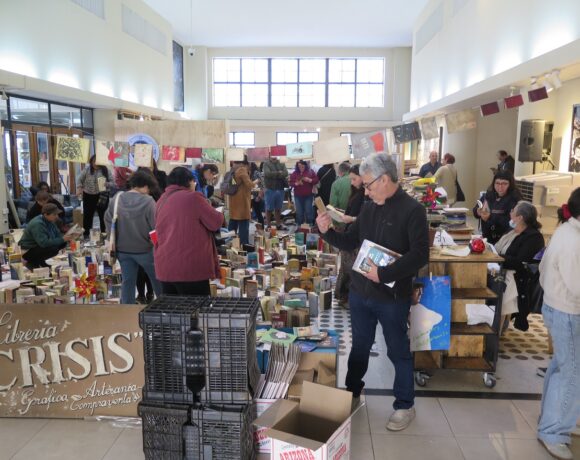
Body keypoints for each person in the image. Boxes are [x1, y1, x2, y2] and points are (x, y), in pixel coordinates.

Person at [316, 154, 429, 432]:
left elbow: (420, 255)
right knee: (360, 346)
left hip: (392, 297)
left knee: (397, 350)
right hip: (360, 293)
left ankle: (405, 405)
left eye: (368, 185)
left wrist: (385, 274)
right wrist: (326, 232)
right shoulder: (368, 208)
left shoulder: (413, 210)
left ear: (385, 179)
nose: (365, 191)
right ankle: (353, 392)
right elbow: (349, 241)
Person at [536, 187, 580, 460]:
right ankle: (553, 431)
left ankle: (554, 420)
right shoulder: (573, 240)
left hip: (557, 307)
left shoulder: (565, 231)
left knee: (562, 368)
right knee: (571, 374)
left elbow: (544, 271)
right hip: (568, 312)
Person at [154, 167, 223, 295]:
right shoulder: (194, 197)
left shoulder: (162, 200)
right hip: (190, 268)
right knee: (196, 306)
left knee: (172, 307)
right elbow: (216, 222)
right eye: (193, 182)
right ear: (189, 181)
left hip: (165, 267)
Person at [105, 170, 161, 304]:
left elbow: (108, 220)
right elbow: (156, 228)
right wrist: (158, 246)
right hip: (145, 250)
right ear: (145, 186)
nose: (149, 192)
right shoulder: (148, 201)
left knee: (128, 281)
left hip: (122, 250)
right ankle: (164, 305)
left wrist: (113, 239)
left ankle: (127, 309)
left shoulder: (117, 198)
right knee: (157, 280)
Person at [493, 201, 544, 332]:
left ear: (520, 217)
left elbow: (520, 262)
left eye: (513, 211)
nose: (510, 213)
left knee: (499, 288)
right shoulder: (512, 231)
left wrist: (497, 257)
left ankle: (496, 332)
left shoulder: (534, 237)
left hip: (519, 278)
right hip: (502, 269)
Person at [335, 164, 366, 305]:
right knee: (346, 267)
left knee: (351, 268)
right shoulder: (355, 192)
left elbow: (364, 216)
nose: (352, 182)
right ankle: (344, 296)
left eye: (354, 179)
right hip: (349, 231)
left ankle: (349, 296)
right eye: (351, 179)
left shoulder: (366, 195)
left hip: (356, 235)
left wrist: (351, 218)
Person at [19, 204, 73, 270]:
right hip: (28, 250)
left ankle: (41, 261)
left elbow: (58, 235)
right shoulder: (38, 224)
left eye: (57, 214)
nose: (57, 216)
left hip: (37, 247)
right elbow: (43, 243)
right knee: (52, 248)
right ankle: (32, 262)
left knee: (62, 243)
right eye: (54, 214)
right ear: (46, 214)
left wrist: (68, 237)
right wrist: (62, 239)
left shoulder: (50, 221)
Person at [473, 170, 521, 244]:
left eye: (504, 183)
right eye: (497, 183)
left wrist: (489, 218)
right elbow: (475, 210)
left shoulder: (515, 199)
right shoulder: (488, 195)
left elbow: (510, 223)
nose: (500, 187)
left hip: (504, 240)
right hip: (487, 238)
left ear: (510, 184)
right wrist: (478, 211)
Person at [77, 155, 112, 238]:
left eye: (97, 162)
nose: (95, 164)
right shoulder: (87, 169)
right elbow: (79, 180)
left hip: (102, 195)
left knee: (103, 216)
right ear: (91, 162)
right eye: (93, 162)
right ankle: (86, 235)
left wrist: (107, 184)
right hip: (88, 195)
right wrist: (79, 188)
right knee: (87, 216)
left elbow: (113, 183)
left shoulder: (106, 170)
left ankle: (104, 234)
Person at [228, 160, 254, 245]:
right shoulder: (242, 170)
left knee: (232, 224)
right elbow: (249, 185)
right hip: (242, 202)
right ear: (246, 164)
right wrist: (257, 181)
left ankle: (230, 243)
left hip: (233, 201)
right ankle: (244, 244)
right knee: (243, 224)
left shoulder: (233, 170)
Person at [289, 160, 318, 226]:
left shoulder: (310, 172)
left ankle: (310, 225)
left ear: (305, 166)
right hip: (298, 196)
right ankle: (300, 226)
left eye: (302, 166)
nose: (301, 168)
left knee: (308, 211)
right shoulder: (294, 173)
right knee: (299, 212)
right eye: (299, 166)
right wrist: (296, 183)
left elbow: (316, 180)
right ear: (297, 166)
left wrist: (309, 180)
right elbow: (290, 183)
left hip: (308, 195)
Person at [262, 156, 288, 229]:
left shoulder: (281, 163)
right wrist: (279, 173)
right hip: (270, 188)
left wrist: (273, 174)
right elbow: (267, 173)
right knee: (269, 208)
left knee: (278, 208)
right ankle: (268, 225)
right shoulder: (266, 163)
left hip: (280, 188)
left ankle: (278, 224)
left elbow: (285, 173)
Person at [250, 162, 265, 227]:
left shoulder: (255, 173)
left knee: (258, 212)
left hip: (256, 195)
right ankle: (260, 228)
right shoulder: (253, 173)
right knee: (258, 212)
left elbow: (261, 184)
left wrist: (259, 195)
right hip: (253, 195)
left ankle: (261, 228)